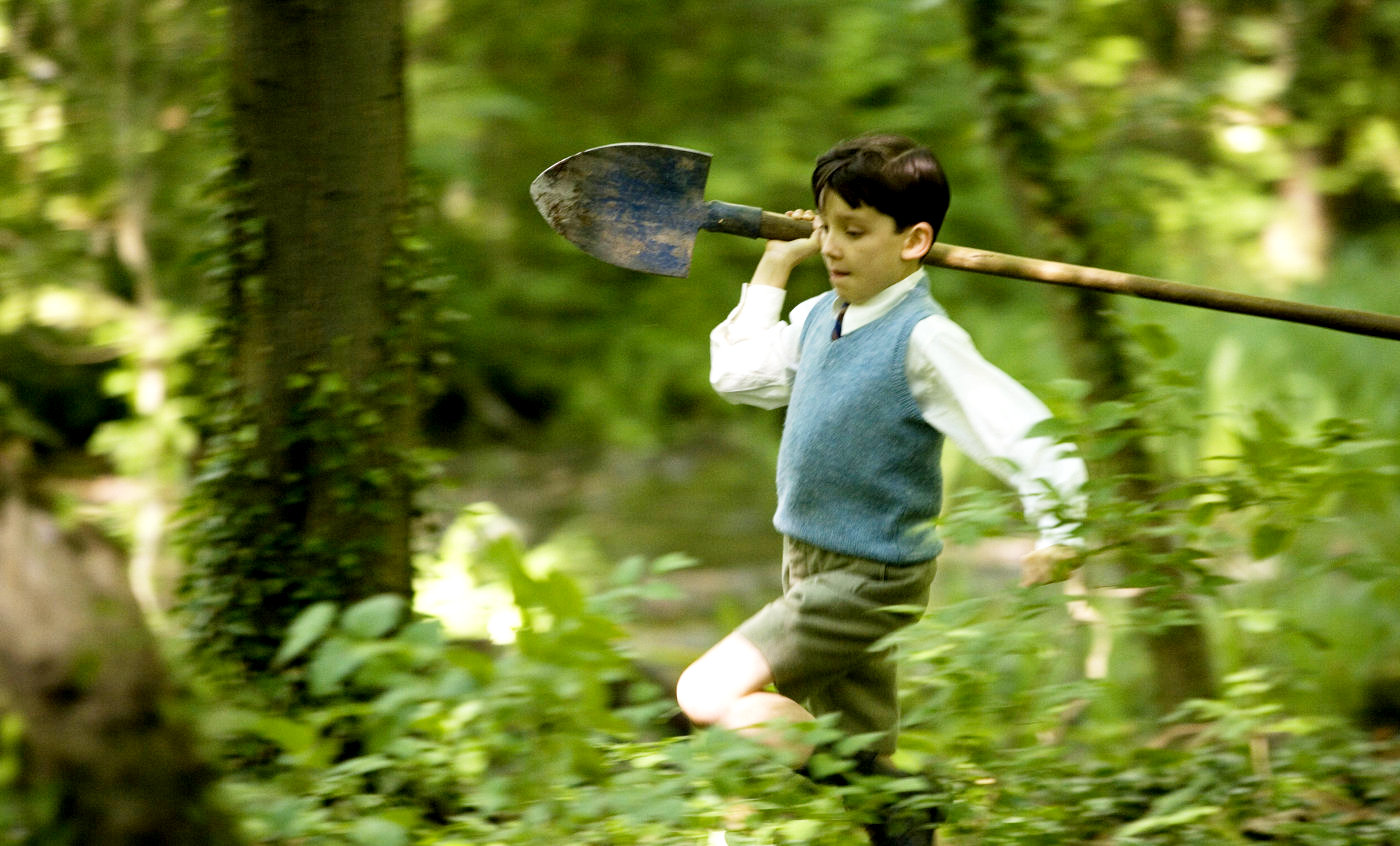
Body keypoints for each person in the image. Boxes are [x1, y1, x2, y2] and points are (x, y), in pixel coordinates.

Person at [675, 133, 1088, 846]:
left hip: (869, 576)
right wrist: (774, 267)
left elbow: (1016, 427)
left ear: (914, 240)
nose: (832, 247)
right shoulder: (814, 319)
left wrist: (1063, 528)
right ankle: (896, 815)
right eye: (826, 227)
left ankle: (899, 799)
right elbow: (740, 379)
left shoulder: (923, 340)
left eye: (855, 232)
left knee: (707, 693)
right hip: (806, 560)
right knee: (859, 751)